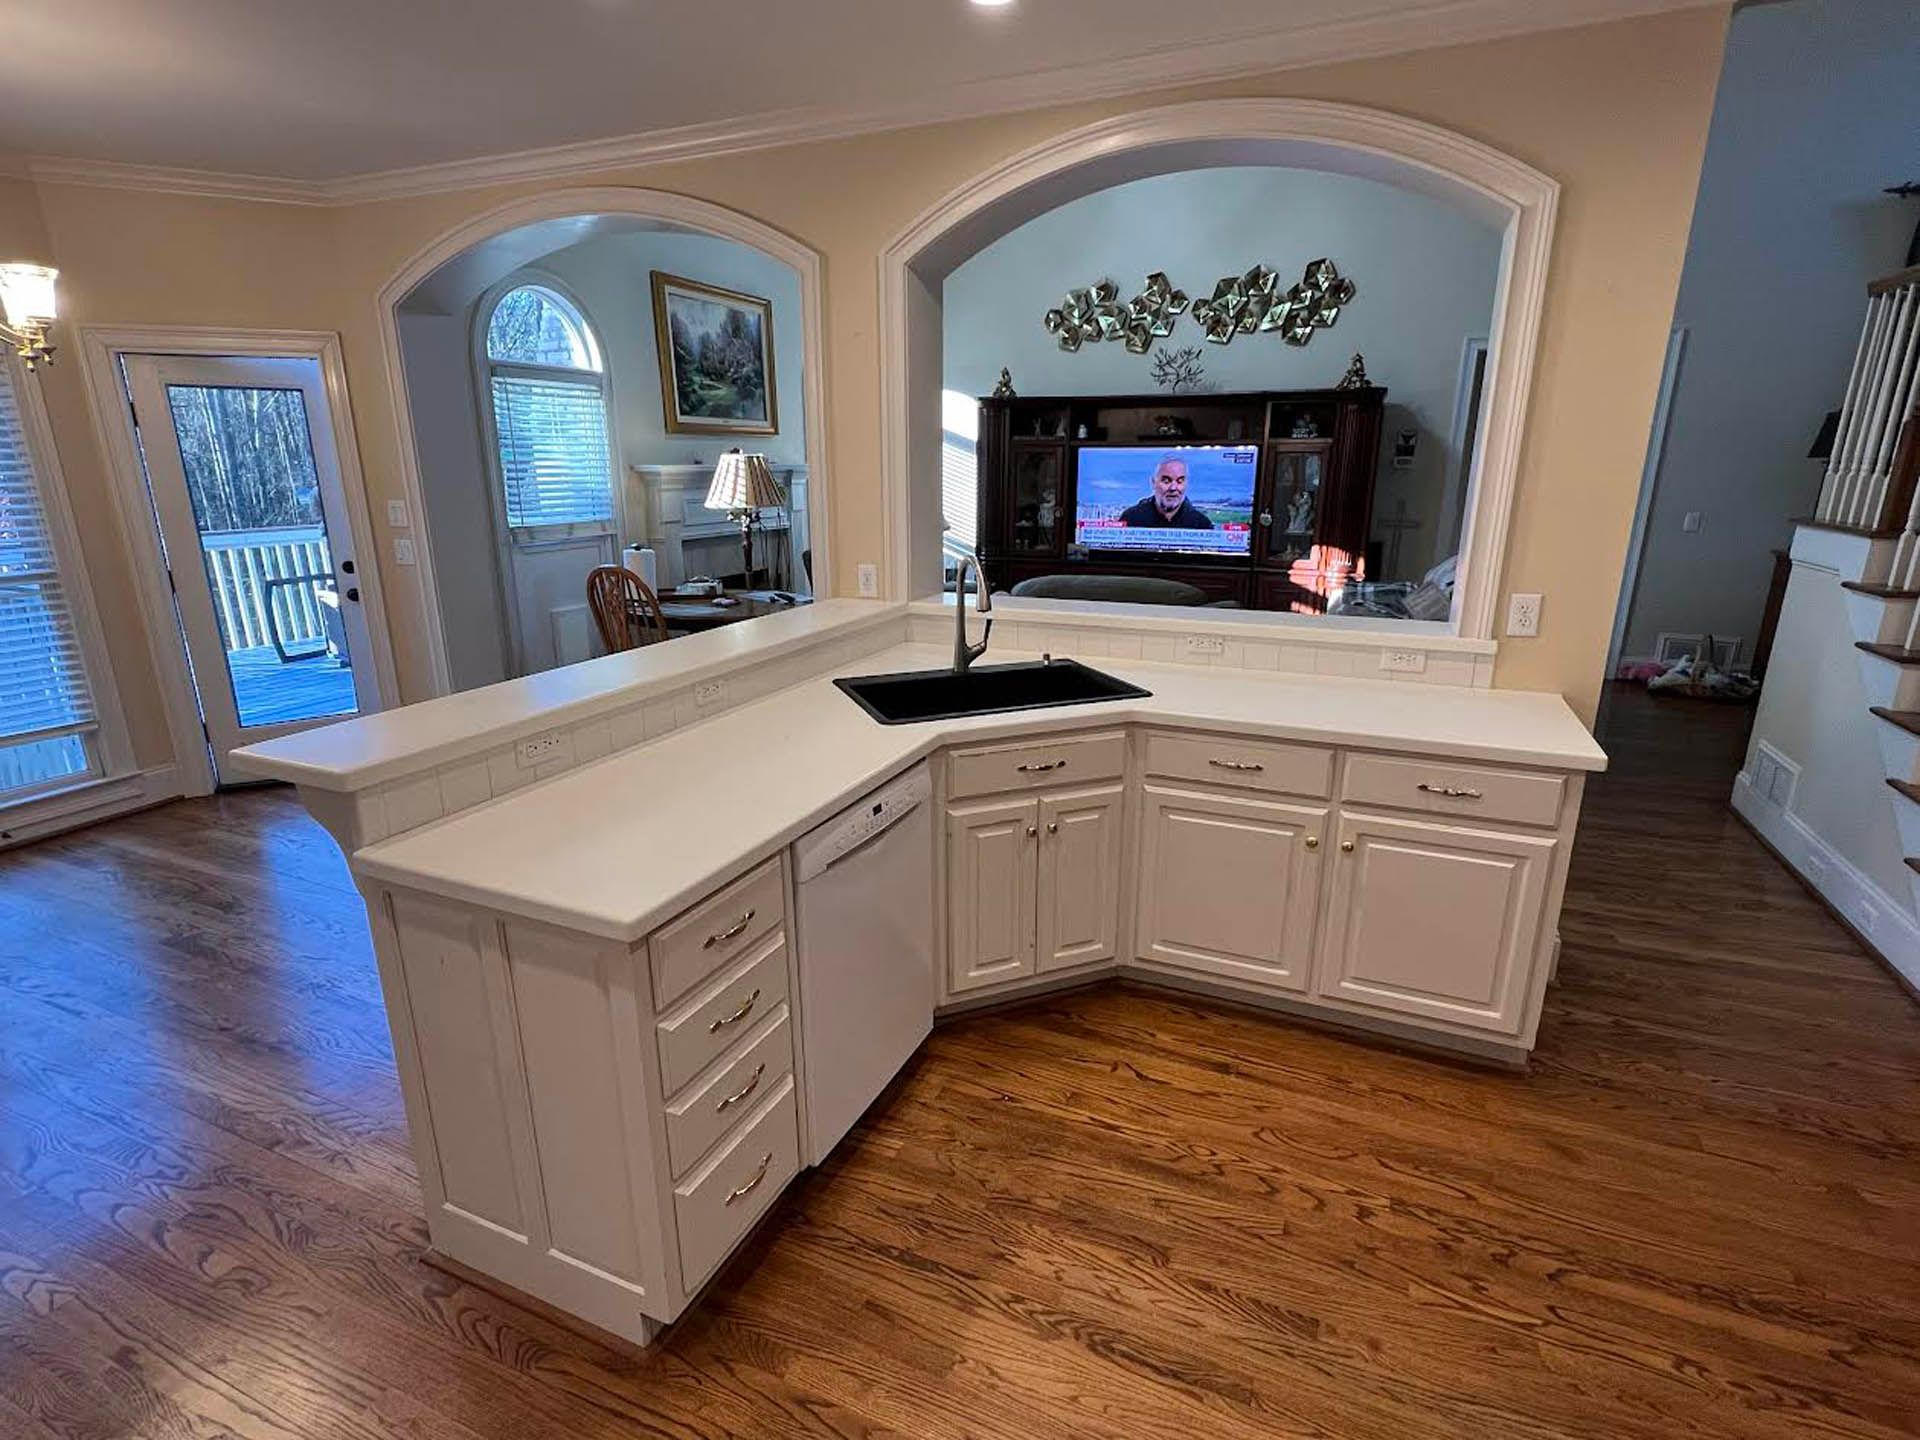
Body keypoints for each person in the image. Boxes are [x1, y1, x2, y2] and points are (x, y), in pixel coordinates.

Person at [1118, 456, 1214, 529]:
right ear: (1153, 483)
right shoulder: (1131, 518)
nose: (1173, 488)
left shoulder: (1202, 524)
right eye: (1166, 481)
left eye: (1180, 481)